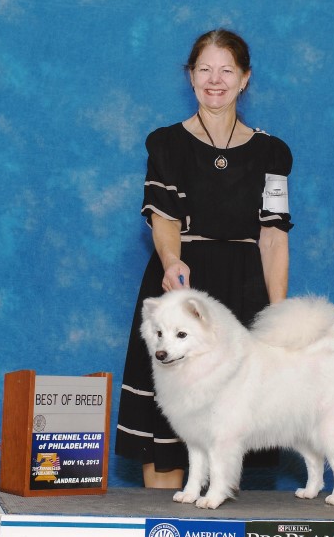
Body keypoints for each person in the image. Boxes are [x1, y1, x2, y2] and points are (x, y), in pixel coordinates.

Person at [115, 29, 293, 489]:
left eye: (226, 70)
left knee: (234, 427)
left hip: (243, 292)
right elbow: (164, 217)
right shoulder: (165, 144)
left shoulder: (272, 153)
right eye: (204, 70)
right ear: (190, 78)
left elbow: (273, 238)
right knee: (168, 439)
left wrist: (278, 316)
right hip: (182, 288)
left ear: (245, 79)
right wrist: (172, 261)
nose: (215, 80)